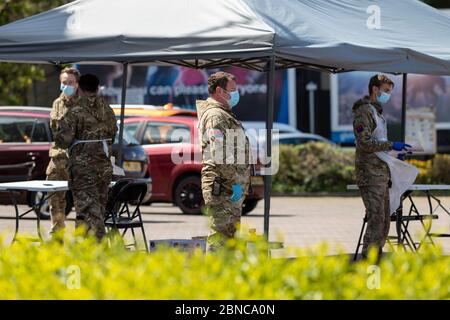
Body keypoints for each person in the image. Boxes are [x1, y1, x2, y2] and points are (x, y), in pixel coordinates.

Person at [352, 74, 418, 258]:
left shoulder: (377, 113)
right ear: (375, 89)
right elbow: (364, 143)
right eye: (386, 91)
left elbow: (378, 144)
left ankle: (376, 254)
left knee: (383, 219)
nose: (388, 95)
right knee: (376, 218)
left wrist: (395, 153)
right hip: (369, 174)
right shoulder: (364, 112)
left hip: (381, 174)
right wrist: (391, 145)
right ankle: (369, 258)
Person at [55, 74, 117, 241]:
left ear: (79, 89)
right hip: (104, 168)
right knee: (96, 211)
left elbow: (62, 141)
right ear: (97, 88)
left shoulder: (75, 110)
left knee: (89, 212)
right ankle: (83, 249)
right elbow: (113, 133)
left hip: (83, 170)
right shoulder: (107, 108)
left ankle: (99, 249)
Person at [196, 71, 251, 252]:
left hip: (229, 187)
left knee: (230, 238)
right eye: (233, 90)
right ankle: (215, 279)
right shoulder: (216, 116)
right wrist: (233, 182)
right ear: (219, 91)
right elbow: (219, 153)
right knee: (220, 237)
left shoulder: (224, 114)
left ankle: (226, 277)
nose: (236, 94)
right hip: (223, 186)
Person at [46, 67, 80, 235]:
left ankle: (83, 237)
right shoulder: (57, 103)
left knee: (82, 201)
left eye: (70, 83)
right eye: (64, 83)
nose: (67, 86)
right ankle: (57, 235)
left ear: (77, 84)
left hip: (77, 161)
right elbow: (55, 129)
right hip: (57, 159)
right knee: (55, 200)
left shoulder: (84, 104)